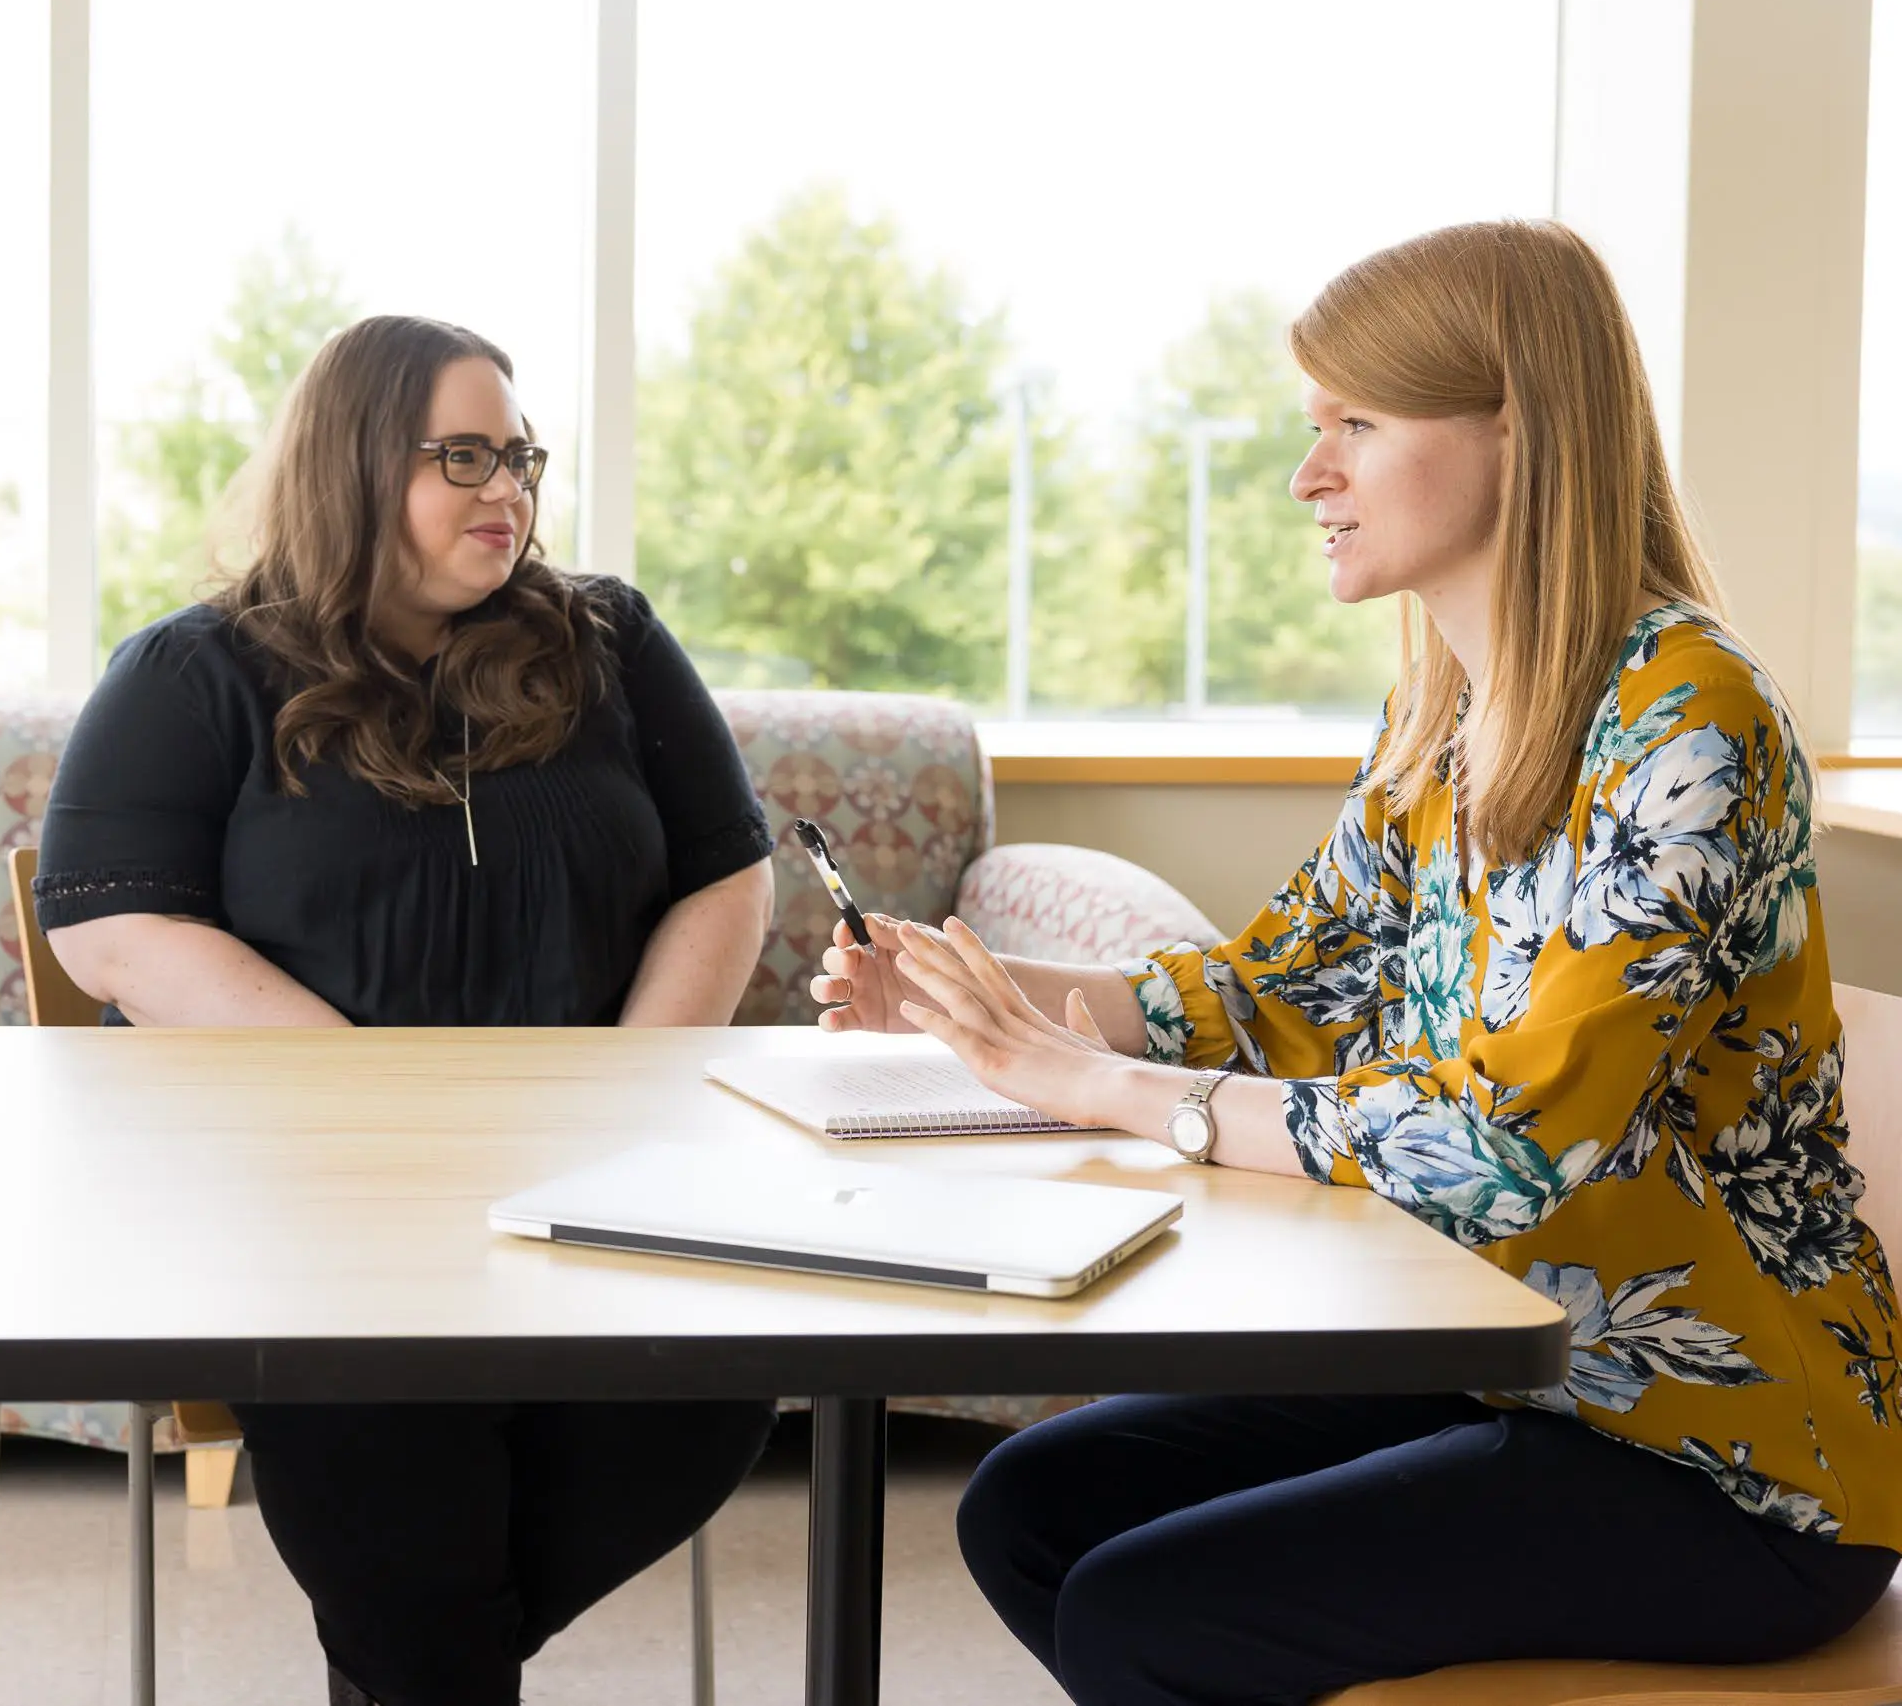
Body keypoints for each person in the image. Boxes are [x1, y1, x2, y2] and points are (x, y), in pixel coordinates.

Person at [814, 220, 1900, 1705]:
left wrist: (1112, 1092)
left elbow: (1503, 1147)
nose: (1305, 477)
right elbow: (1268, 995)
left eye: (1356, 425)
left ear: (1517, 424)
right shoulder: (1445, 723)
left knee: (1146, 1612)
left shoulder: (1688, 723)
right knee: (1033, 1508)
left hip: (1730, 1457)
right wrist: (963, 993)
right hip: (1506, 1357)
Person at [34, 313, 779, 1706]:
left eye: (522, 457)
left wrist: (627, 1102)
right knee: (397, 1456)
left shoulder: (607, 638)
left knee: (711, 1395)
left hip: (600, 1189)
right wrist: (388, 1115)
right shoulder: (194, 672)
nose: (510, 492)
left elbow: (728, 876)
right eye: (464, 457)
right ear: (355, 465)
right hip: (318, 1207)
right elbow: (112, 927)